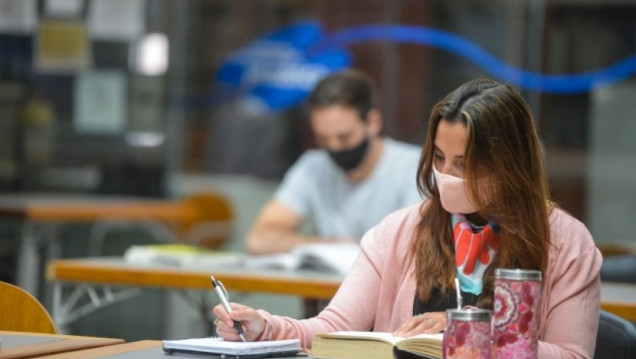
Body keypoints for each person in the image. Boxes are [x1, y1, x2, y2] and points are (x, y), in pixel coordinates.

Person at [214, 78, 602, 358]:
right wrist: (264, 328)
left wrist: (468, 330)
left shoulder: (566, 243)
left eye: (464, 164)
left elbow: (572, 355)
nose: (445, 174)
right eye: (438, 158)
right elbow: (331, 328)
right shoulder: (398, 232)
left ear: (509, 164)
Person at [245, 69, 422, 255]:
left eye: (344, 137)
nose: (334, 146)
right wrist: (332, 246)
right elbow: (259, 240)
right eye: (323, 138)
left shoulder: (413, 168)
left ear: (373, 122)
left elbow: (416, 247)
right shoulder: (313, 167)